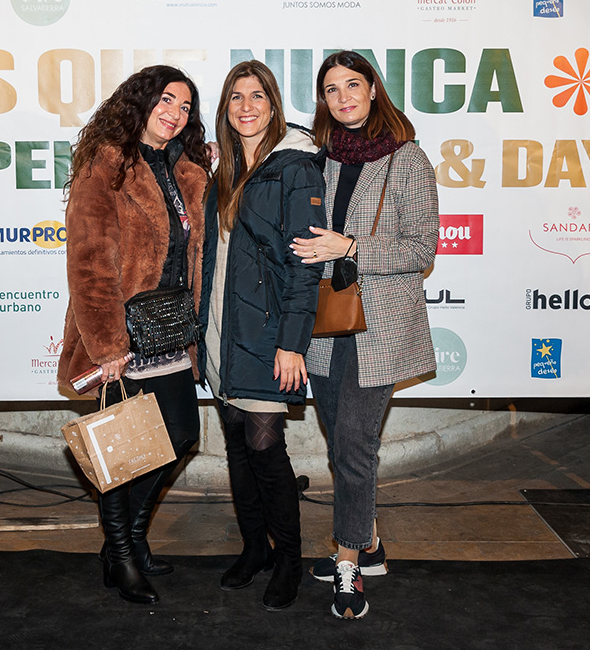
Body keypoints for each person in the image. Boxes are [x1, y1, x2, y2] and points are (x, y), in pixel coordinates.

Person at [291, 50, 441, 620]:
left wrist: (350, 246)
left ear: (374, 89)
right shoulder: (318, 159)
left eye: (353, 85)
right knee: (342, 445)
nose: (343, 97)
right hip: (325, 326)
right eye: (331, 89)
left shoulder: (407, 159)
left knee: (354, 447)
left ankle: (349, 564)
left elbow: (421, 249)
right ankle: (370, 543)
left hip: (379, 329)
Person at [57, 65, 210, 605]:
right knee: (123, 449)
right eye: (166, 100)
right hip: (122, 334)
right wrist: (108, 347)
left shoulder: (185, 168)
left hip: (169, 329)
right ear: (140, 102)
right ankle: (121, 556)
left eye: (185, 107)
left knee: (181, 435)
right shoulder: (105, 165)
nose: (175, 113)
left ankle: (128, 542)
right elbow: (90, 263)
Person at [199, 60, 325, 611]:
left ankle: (289, 558)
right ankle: (255, 549)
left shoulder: (296, 168)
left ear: (274, 105)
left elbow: (305, 264)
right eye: (235, 97)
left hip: (269, 332)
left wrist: (293, 342)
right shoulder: (223, 169)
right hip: (221, 328)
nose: (246, 106)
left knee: (265, 448)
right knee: (236, 446)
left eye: (257, 96)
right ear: (225, 109)